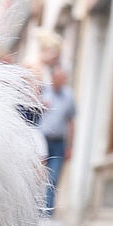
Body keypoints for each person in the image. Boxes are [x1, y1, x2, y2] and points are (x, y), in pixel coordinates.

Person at [38, 65, 75, 216]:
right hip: (42, 141)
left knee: (53, 178)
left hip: (59, 143)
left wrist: (70, 146)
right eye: (58, 78)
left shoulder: (69, 96)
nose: (61, 81)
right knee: (38, 177)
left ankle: (47, 215)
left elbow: (71, 122)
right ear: (53, 78)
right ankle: (37, 210)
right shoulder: (43, 91)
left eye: (63, 79)